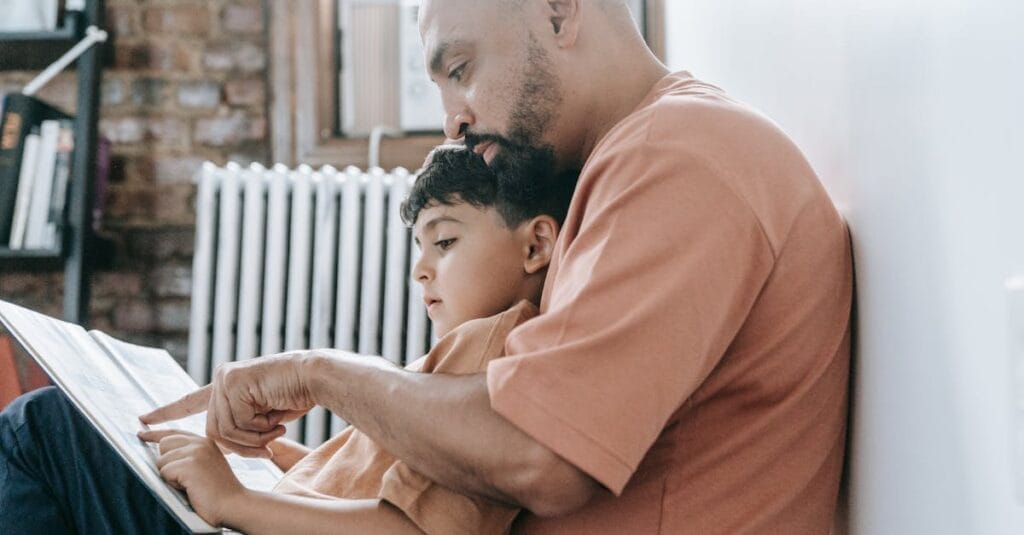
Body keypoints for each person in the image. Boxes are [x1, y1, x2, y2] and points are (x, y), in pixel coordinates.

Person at [2, 0, 853, 533]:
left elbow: (537, 456)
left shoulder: (684, 157)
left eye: (460, 66)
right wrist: (286, 461)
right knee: (102, 434)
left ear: (558, 13)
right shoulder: (620, 168)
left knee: (41, 434)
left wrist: (315, 373)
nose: (451, 118)